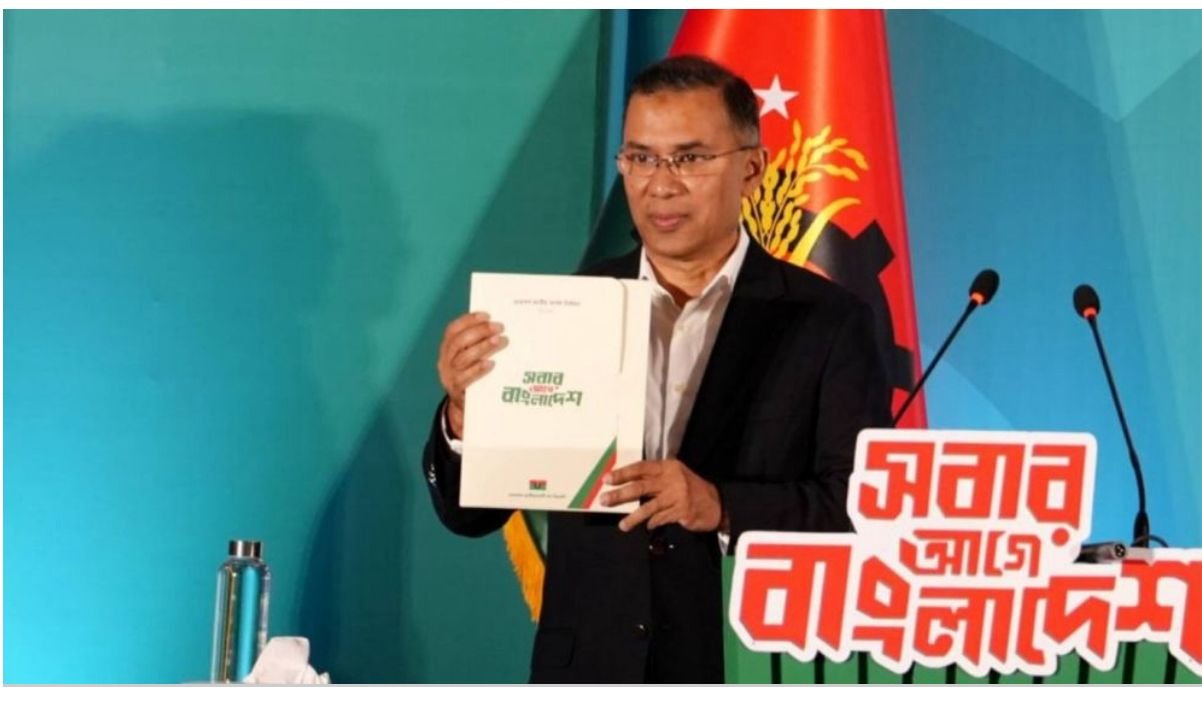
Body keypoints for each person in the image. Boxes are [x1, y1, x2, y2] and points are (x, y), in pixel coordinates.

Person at [422, 55, 890, 683]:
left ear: (752, 169)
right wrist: (464, 415)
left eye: (689, 158)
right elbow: (469, 516)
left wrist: (720, 505)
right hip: (587, 670)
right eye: (641, 158)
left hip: (738, 666)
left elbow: (860, 511)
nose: (660, 185)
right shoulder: (565, 307)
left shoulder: (827, 321)